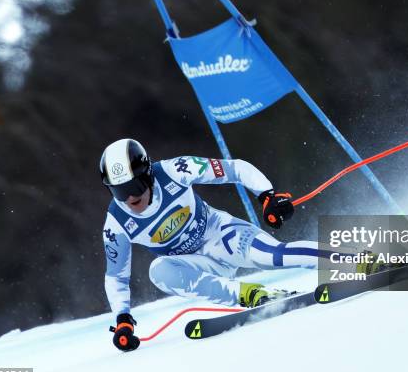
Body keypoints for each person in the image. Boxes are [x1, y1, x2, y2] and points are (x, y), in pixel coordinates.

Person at [101, 138, 362, 351]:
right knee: (158, 271)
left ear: (147, 175)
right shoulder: (117, 224)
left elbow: (236, 168)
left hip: (221, 235)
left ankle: (356, 258)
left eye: (134, 186)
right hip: (199, 265)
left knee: (273, 255)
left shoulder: (174, 170)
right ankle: (250, 294)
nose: (130, 198)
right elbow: (116, 278)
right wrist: (123, 319)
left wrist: (267, 196)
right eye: (119, 191)